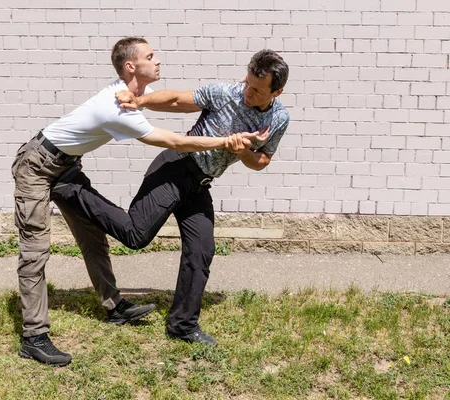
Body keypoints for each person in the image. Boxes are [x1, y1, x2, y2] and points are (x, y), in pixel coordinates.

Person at [12, 37, 264, 366]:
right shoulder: (116, 106)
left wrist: (142, 100)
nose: (157, 60)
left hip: (66, 167)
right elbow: (175, 141)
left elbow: (160, 100)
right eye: (150, 56)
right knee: (35, 251)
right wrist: (226, 140)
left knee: (93, 239)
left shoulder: (127, 97)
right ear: (131, 66)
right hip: (37, 166)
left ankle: (114, 307)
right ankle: (34, 336)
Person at [51, 49, 290, 346]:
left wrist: (243, 151)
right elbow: (177, 99)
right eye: (247, 82)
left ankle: (182, 325)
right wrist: (141, 101)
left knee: (201, 250)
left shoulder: (279, 118)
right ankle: (71, 187)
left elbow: (261, 162)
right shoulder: (224, 93)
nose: (247, 91)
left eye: (256, 90)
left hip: (200, 184)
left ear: (277, 91)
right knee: (136, 235)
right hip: (176, 167)